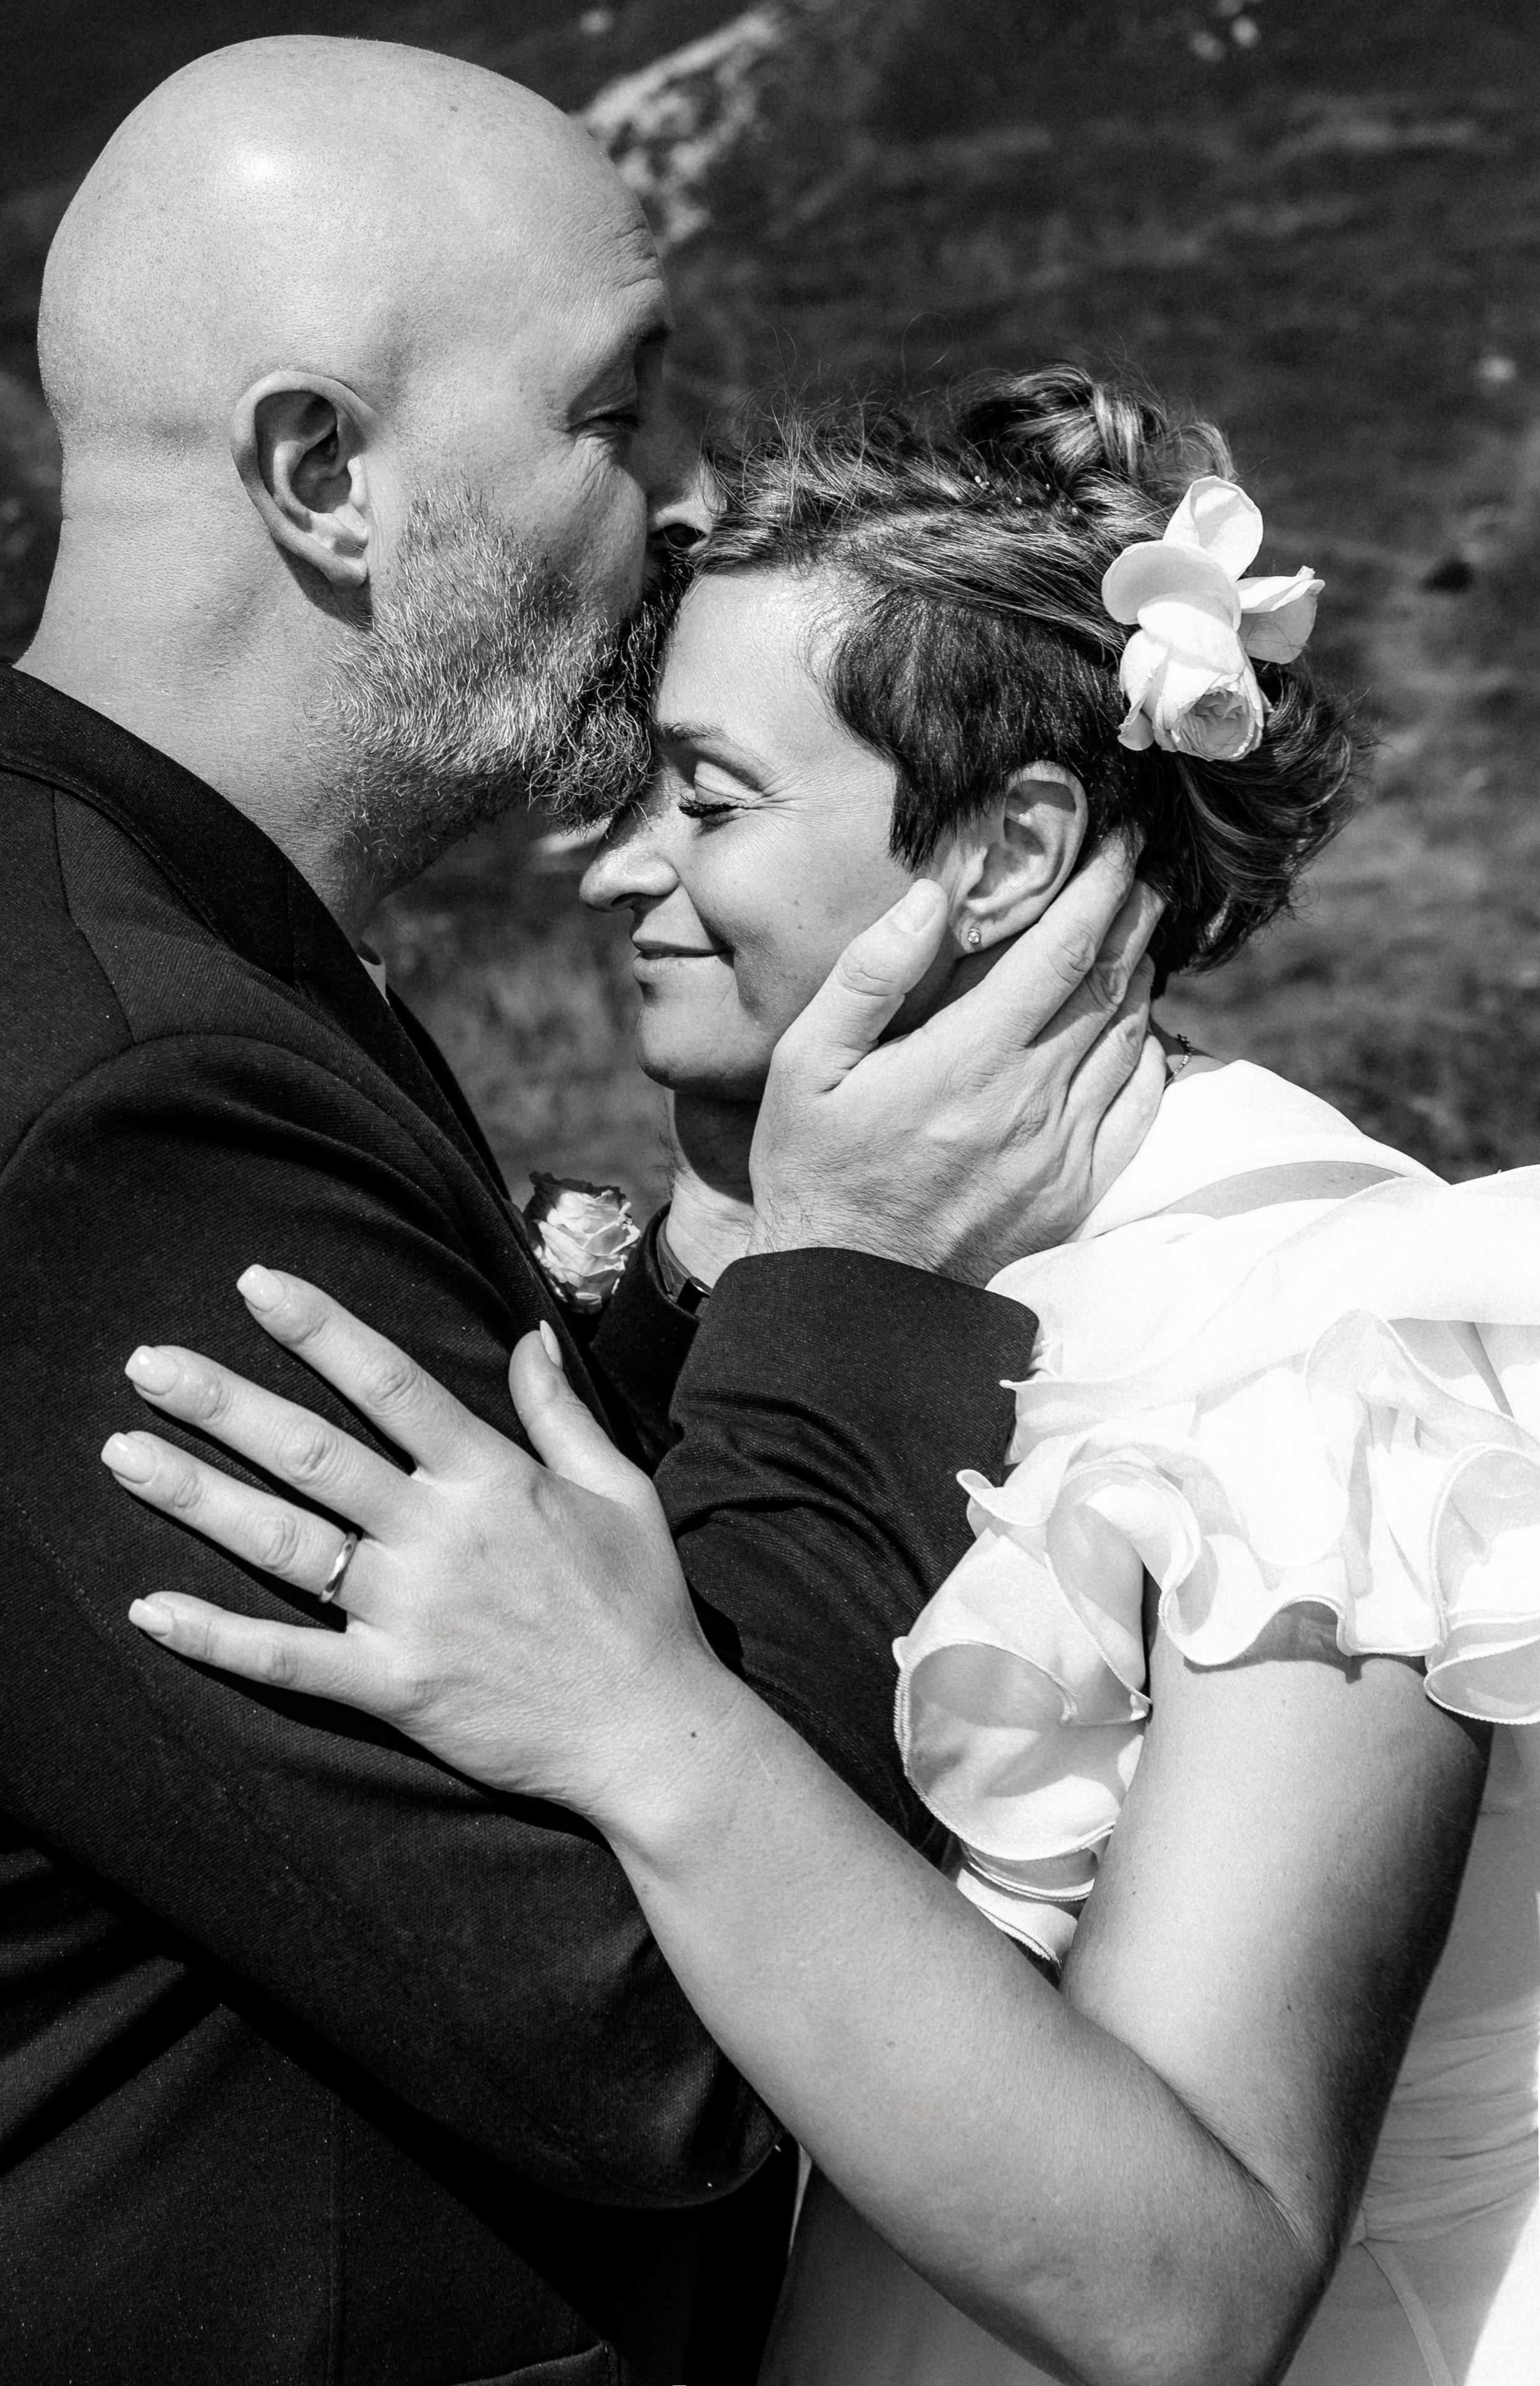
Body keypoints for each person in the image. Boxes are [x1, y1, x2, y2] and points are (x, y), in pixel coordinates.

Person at [110, 373, 1538, 2386]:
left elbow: (1191, 2290)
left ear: (1014, 847)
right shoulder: (852, 1263)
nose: (613, 873)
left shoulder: (1314, 1346)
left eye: (707, 797)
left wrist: (642, 1725)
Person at [0, 43, 1160, 2386]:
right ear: (326, 473)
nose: (688, 504)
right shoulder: (125, 1103)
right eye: (613, 419)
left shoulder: (114, 946)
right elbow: (651, 2019)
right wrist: (854, 1281)